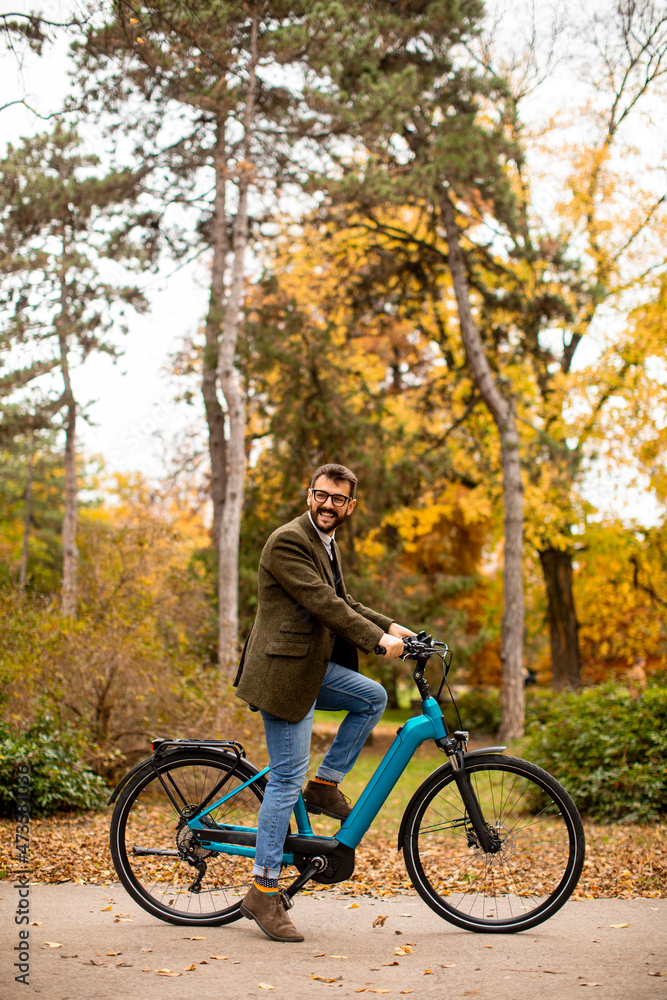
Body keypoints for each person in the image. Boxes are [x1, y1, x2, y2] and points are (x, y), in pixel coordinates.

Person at [234, 463, 413, 942]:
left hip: (310, 668)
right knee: (285, 778)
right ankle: (263, 890)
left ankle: (325, 785)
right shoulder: (288, 541)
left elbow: (343, 599)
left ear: (350, 506)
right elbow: (322, 603)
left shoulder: (326, 543)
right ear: (308, 495)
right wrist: (378, 642)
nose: (327, 504)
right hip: (282, 674)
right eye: (321, 495)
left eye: (337, 498)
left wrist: (393, 627)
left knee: (371, 697)